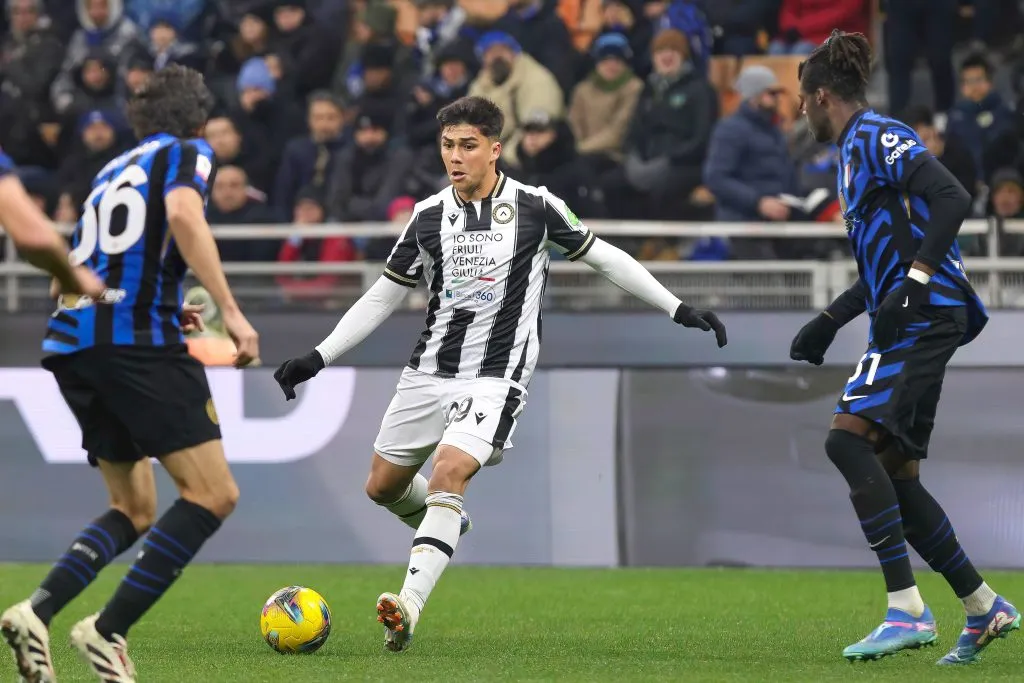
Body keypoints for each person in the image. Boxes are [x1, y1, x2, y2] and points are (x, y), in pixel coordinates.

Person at [274, 95, 727, 653]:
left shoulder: (537, 208)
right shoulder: (428, 217)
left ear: (495, 148)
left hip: (496, 375)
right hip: (428, 372)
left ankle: (408, 606)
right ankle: (446, 520)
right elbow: (383, 296)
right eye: (447, 146)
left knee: (450, 471)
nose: (455, 158)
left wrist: (678, 308)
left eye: (467, 146)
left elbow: (605, 257)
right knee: (382, 486)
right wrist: (318, 356)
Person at [0, 65, 260, 683]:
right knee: (213, 494)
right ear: (200, 122)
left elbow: (105, 261)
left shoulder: (112, 169)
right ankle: (107, 630)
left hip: (73, 341)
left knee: (134, 506)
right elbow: (184, 217)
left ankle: (35, 613)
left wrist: (170, 306)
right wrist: (231, 311)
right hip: (133, 343)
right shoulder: (186, 152)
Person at [789, 31, 1019, 665]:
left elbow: (953, 197)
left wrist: (915, 286)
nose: (798, 112)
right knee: (896, 474)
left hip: (929, 312)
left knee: (845, 439)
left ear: (823, 96)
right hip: (914, 313)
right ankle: (983, 607)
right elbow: (884, 264)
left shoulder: (876, 135)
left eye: (801, 100)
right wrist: (831, 319)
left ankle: (906, 610)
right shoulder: (849, 154)